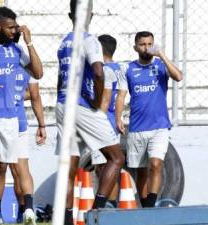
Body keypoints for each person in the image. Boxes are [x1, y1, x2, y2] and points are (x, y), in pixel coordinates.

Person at [56, 1, 125, 224]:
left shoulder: (64, 42)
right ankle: (96, 213)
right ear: (91, 15)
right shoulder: (89, 40)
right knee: (116, 157)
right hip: (81, 106)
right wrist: (95, 100)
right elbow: (98, 72)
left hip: (62, 104)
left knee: (70, 165)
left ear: (69, 15)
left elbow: (60, 79)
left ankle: (66, 220)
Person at [0, 6, 43, 225]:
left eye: (16, 27)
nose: (15, 31)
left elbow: (38, 73)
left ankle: (28, 211)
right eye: (11, 27)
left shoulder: (17, 49)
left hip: (16, 119)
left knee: (20, 166)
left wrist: (29, 41)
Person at [115, 31, 183, 207]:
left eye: (150, 44)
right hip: (137, 128)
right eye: (143, 44)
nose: (147, 48)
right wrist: (118, 118)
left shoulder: (161, 65)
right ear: (135, 47)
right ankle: (146, 207)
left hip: (159, 126)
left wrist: (161, 54)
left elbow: (178, 76)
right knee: (142, 171)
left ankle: (151, 205)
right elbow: (121, 96)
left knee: (155, 164)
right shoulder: (128, 69)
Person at [10, 68, 46, 223]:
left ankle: (22, 210)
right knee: (20, 169)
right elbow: (33, 94)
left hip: (7, 121)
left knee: (12, 169)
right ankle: (27, 210)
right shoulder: (27, 62)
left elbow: (33, 94)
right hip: (17, 122)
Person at [95, 34, 123, 208]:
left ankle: (107, 205)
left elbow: (104, 98)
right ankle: (110, 205)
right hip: (112, 121)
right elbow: (121, 96)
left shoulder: (103, 70)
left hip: (101, 120)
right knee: (109, 166)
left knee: (103, 168)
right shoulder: (121, 68)